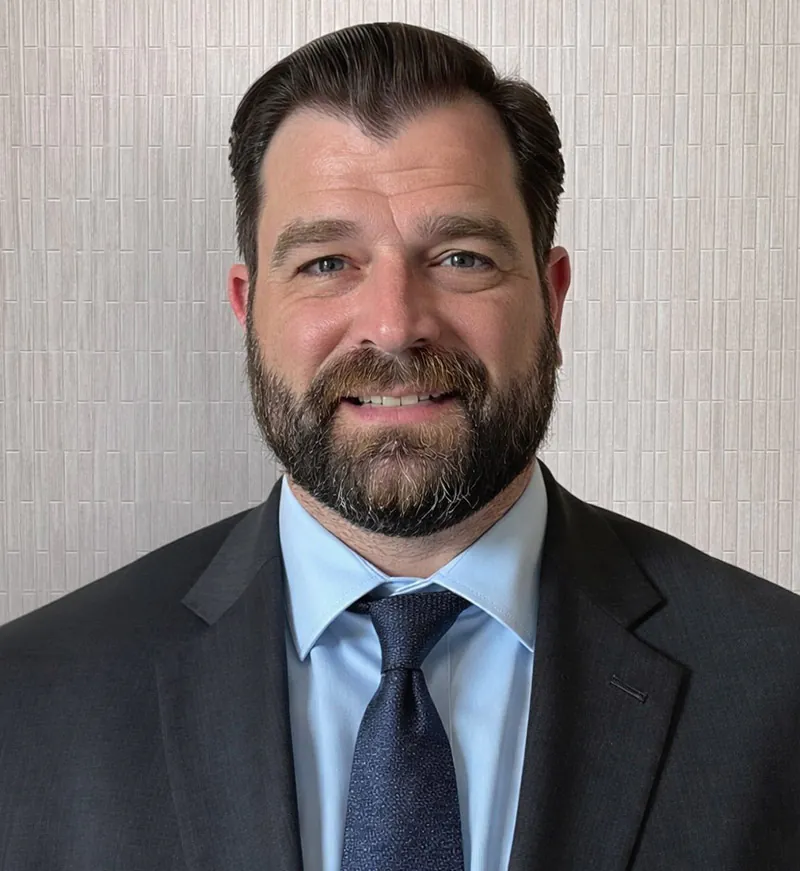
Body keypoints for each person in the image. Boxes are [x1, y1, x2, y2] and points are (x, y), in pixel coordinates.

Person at [1, 20, 799, 871]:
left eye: (460, 257)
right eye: (325, 263)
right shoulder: (32, 701)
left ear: (552, 298)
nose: (393, 324)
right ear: (246, 306)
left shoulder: (777, 688)